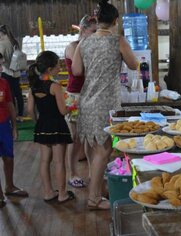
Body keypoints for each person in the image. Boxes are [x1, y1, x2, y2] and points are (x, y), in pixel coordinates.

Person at [72, 0, 138, 210]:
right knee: (104, 150)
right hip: (105, 101)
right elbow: (134, 64)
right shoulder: (117, 40)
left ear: (97, 20)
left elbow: (76, 71)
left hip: (86, 100)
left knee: (93, 150)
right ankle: (93, 199)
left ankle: (98, 191)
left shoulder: (84, 42)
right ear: (115, 21)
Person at [27, 51, 75, 203]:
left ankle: (48, 192)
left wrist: (38, 122)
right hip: (57, 125)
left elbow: (30, 110)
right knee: (59, 162)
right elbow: (62, 111)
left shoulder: (33, 87)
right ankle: (62, 194)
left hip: (42, 125)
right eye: (57, 65)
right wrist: (73, 106)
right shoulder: (55, 86)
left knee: (44, 161)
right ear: (49, 69)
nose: (60, 67)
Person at [64, 15, 97, 188]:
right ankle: (73, 173)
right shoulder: (73, 47)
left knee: (90, 137)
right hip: (75, 95)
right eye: (93, 31)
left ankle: (94, 172)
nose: (96, 35)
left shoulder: (93, 46)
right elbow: (79, 70)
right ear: (83, 30)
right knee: (75, 138)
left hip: (90, 94)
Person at [0, 53, 28, 209]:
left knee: (8, 158)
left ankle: (9, 186)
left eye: (1, 65)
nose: (1, 68)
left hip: (4, 125)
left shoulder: (4, 82)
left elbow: (10, 104)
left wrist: (15, 126)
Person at [0, 25, 25, 120]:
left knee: (10, 95)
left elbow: (0, 58)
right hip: (16, 72)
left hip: (7, 72)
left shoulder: (2, 43)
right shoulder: (14, 41)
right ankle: (21, 115)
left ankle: (12, 116)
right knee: (18, 94)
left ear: (1, 33)